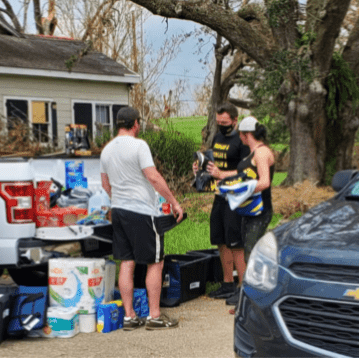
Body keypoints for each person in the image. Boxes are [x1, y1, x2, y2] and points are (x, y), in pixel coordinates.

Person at [100, 106, 185, 331]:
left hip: (118, 211)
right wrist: (174, 202)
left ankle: (129, 317)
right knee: (155, 262)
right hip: (142, 212)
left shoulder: (106, 150)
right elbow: (153, 177)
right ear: (135, 123)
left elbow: (105, 184)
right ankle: (154, 316)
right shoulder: (140, 145)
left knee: (127, 262)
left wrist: (119, 199)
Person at [206, 116, 275, 306]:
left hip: (260, 210)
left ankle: (252, 296)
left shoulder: (261, 153)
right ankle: (245, 291)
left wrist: (241, 190)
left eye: (241, 136)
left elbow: (264, 181)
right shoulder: (252, 154)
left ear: (245, 135)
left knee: (251, 252)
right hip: (248, 210)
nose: (240, 139)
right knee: (247, 251)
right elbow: (244, 176)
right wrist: (227, 182)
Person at [192, 102, 250, 300]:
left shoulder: (242, 141)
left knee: (236, 243)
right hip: (219, 195)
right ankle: (228, 284)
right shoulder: (217, 137)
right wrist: (200, 170)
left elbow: (247, 171)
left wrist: (222, 173)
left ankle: (243, 289)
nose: (221, 126)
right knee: (220, 240)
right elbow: (212, 163)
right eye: (218, 122)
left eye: (225, 122)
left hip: (237, 197)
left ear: (235, 121)